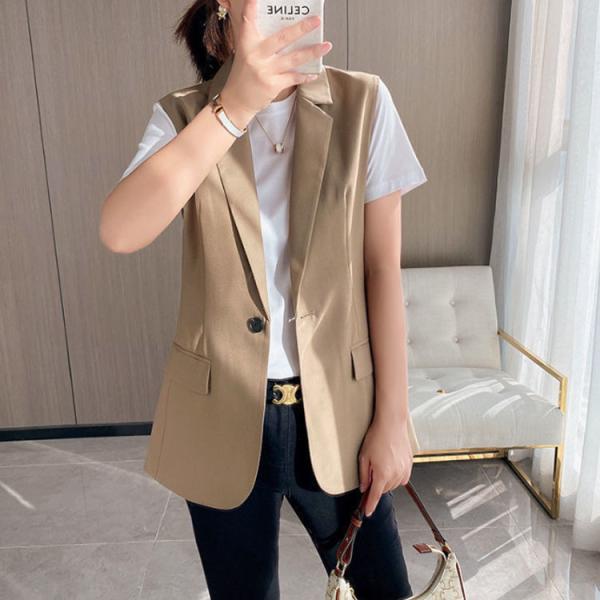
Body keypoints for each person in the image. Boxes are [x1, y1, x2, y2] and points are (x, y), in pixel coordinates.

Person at [100, 0, 427, 598]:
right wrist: (235, 108)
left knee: (385, 589)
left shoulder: (364, 103)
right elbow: (120, 231)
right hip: (221, 416)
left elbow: (382, 270)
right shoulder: (184, 115)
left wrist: (393, 419)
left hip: (343, 414)